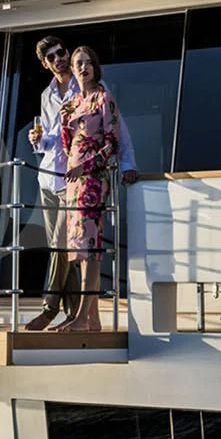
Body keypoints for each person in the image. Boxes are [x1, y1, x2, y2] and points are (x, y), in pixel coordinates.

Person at [25, 36, 137, 331]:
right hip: (50, 177)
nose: (60, 59)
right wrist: (39, 140)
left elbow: (117, 133)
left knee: (69, 246)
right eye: (52, 57)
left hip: (81, 179)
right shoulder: (49, 95)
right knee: (64, 248)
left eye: (62, 53)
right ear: (45, 64)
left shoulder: (97, 93)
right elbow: (59, 141)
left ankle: (52, 310)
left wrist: (128, 165)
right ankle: (81, 314)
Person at [55, 46, 120, 333]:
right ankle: (92, 318)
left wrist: (87, 165)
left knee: (91, 248)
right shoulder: (68, 107)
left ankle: (82, 316)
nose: (83, 68)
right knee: (79, 249)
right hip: (73, 183)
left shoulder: (103, 99)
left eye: (88, 63)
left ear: (95, 67)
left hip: (93, 180)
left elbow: (112, 143)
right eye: (78, 63)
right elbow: (68, 146)